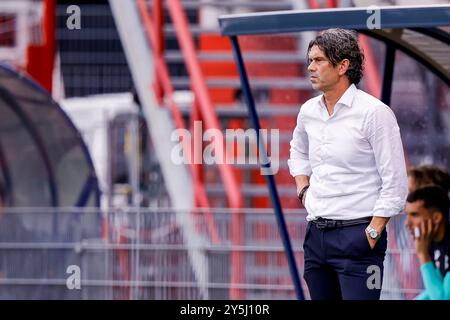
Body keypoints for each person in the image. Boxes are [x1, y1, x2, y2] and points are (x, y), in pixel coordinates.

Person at [288, 28, 408, 300]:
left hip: (359, 236)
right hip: (316, 237)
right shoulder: (308, 111)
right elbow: (297, 152)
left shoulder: (375, 113)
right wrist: (303, 190)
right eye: (310, 60)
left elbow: (396, 184)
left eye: (319, 60)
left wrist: (372, 232)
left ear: (343, 65)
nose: (311, 67)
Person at [405, 186, 450, 300]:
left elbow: (442, 298)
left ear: (436, 218)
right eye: (407, 215)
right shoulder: (432, 242)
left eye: (414, 215)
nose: (407, 223)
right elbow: (436, 289)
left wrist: (423, 255)